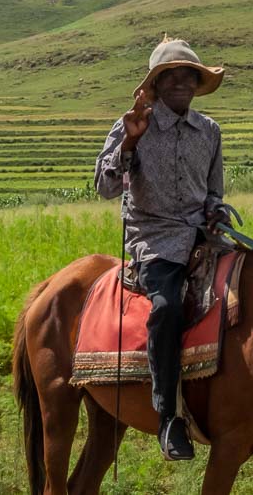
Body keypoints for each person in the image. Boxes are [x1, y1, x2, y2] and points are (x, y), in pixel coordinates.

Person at [94, 37, 231, 460]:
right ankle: (168, 416)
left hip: (201, 237)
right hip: (153, 238)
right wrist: (129, 144)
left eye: (188, 75)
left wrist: (216, 213)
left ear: (196, 82)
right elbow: (105, 187)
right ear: (156, 84)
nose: (181, 83)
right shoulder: (133, 124)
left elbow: (214, 193)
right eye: (170, 76)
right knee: (167, 307)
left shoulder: (209, 131)